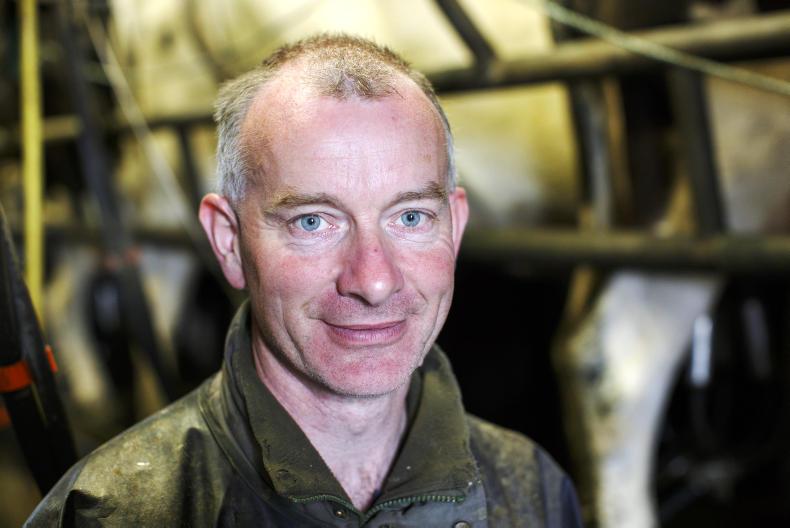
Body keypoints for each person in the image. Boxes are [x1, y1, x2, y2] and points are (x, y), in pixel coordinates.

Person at [26, 34, 582, 527]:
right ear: (229, 241)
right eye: (313, 222)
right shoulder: (115, 512)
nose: (374, 281)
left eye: (411, 217)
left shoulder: (533, 490)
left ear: (455, 227)